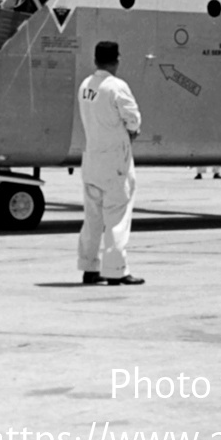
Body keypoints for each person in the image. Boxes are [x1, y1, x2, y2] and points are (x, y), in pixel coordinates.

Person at [77, 41, 144, 286]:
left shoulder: (86, 85)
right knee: (117, 215)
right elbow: (133, 118)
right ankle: (116, 270)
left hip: (92, 157)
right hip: (115, 159)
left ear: (95, 60)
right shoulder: (116, 86)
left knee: (93, 216)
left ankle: (89, 266)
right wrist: (132, 131)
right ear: (116, 60)